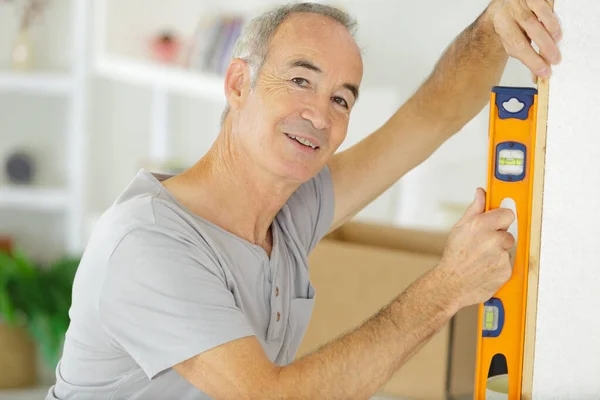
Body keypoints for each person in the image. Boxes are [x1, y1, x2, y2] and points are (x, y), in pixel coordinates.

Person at [46, 1, 562, 399]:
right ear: (239, 83)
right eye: (300, 80)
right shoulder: (148, 243)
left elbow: (428, 118)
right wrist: (448, 287)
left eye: (341, 98)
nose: (320, 115)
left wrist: (493, 27)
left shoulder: (290, 208)